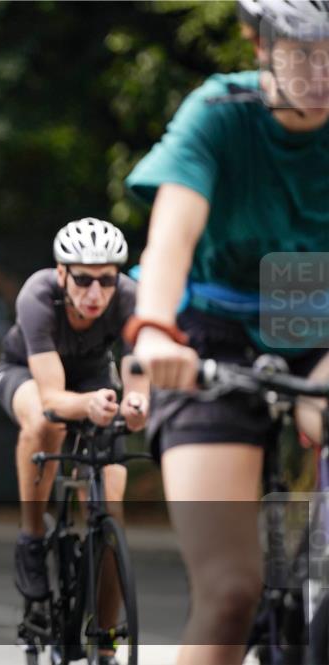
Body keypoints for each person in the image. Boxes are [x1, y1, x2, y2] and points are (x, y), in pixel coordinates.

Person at [124, 2, 329, 664]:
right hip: (206, 332)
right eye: (301, 50)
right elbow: (173, 235)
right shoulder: (220, 112)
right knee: (231, 590)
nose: (318, 70)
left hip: (315, 319)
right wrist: (156, 334)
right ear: (256, 42)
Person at [0, 218, 149, 664]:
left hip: (96, 378)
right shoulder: (38, 295)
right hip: (28, 372)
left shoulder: (131, 299)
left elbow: (139, 382)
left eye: (106, 280)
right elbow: (53, 400)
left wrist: (136, 406)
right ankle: (32, 536)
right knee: (46, 426)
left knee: (110, 513)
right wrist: (90, 407)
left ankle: (105, 639)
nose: (95, 293)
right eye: (83, 279)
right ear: (62, 274)